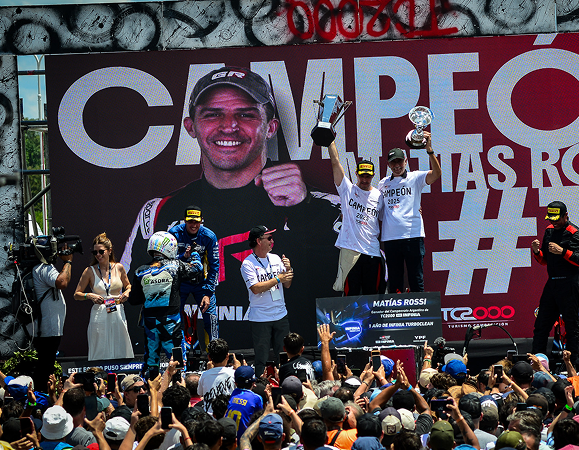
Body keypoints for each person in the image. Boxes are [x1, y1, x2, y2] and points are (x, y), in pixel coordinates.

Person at [122, 66, 340, 350]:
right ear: (191, 126)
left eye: (246, 114)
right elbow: (130, 300)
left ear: (270, 127)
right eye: (213, 114)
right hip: (190, 362)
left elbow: (357, 291)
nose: (228, 126)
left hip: (285, 361)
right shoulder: (158, 212)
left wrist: (305, 212)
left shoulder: (319, 207)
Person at [129, 231, 203, 378]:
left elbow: (133, 300)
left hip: (150, 324)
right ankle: (178, 385)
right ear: (169, 247)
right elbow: (197, 268)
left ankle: (151, 388)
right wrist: (194, 253)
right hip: (171, 324)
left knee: (151, 362)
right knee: (177, 361)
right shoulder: (175, 266)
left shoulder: (140, 271)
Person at [378, 135, 442, 293]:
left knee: (416, 279)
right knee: (395, 281)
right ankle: (397, 309)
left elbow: (436, 174)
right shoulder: (383, 183)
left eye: (399, 161)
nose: (397, 166)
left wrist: (430, 151)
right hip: (391, 238)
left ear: (405, 161)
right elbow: (378, 209)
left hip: (413, 235)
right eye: (393, 162)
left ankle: (420, 309)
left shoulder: (415, 177)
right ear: (388, 164)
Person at [530, 201, 579, 360]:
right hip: (552, 283)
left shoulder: (574, 233)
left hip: (569, 283)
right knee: (541, 325)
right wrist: (537, 252)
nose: (553, 222)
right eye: (551, 219)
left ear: (565, 216)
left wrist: (563, 251)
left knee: (571, 326)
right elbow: (544, 261)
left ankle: (572, 362)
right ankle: (537, 362)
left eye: (557, 219)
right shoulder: (549, 231)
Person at [326, 141, 384, 295]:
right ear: (356, 174)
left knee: (371, 295)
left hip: (372, 251)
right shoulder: (347, 189)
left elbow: (391, 216)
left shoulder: (379, 196)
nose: (364, 180)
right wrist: (330, 140)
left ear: (373, 175)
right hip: (350, 251)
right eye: (362, 176)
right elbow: (335, 162)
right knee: (350, 295)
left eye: (368, 176)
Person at [240, 225, 293, 376]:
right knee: (261, 358)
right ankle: (260, 385)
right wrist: (278, 279)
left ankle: (286, 381)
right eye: (269, 238)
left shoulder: (276, 258)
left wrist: (288, 270)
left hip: (281, 315)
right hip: (261, 318)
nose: (272, 241)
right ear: (258, 241)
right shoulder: (248, 263)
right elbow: (255, 288)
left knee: (284, 355)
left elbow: (287, 285)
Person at [168, 206, 220, 359]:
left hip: (201, 283)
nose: (193, 225)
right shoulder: (174, 234)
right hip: (180, 282)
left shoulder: (209, 236)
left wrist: (208, 293)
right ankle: (179, 358)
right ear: (184, 221)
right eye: (190, 222)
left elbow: (214, 266)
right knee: (175, 319)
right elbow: (167, 262)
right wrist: (183, 257)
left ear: (201, 221)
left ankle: (215, 357)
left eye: (197, 222)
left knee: (211, 317)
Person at [73, 233, 134, 360]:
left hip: (117, 311)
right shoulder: (89, 271)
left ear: (109, 251)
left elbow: (128, 285)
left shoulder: (119, 267)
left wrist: (127, 292)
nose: (98, 255)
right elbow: (77, 294)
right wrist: (89, 295)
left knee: (120, 347)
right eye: (95, 252)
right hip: (99, 312)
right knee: (100, 348)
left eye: (101, 251)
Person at [31, 238, 73, 391]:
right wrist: (68, 261)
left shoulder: (37, 267)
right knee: (45, 368)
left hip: (44, 327)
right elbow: (62, 282)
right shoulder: (44, 268)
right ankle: (41, 397)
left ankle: (39, 395)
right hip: (48, 328)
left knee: (44, 365)